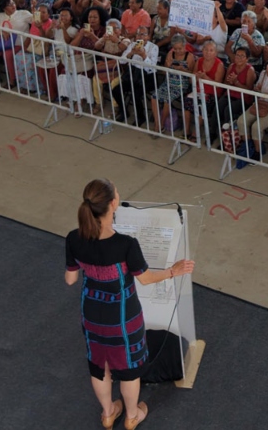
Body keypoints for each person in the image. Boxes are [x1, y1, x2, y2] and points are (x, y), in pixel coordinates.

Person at [65, 178, 195, 430]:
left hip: (91, 314)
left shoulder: (73, 238)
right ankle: (132, 416)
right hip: (123, 319)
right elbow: (145, 279)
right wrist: (172, 271)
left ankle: (107, 413)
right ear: (113, 205)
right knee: (129, 369)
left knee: (99, 367)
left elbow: (70, 279)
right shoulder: (126, 245)